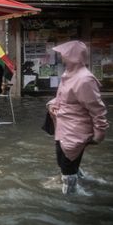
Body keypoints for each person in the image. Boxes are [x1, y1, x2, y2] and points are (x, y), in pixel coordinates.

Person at [46, 40, 109, 194]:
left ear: (72, 56)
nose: (61, 57)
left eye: (63, 54)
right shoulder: (68, 73)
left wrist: (99, 132)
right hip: (63, 125)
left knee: (67, 163)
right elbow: (62, 97)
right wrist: (51, 104)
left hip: (75, 130)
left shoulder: (84, 79)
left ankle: (72, 198)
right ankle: (81, 180)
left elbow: (97, 109)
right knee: (64, 161)